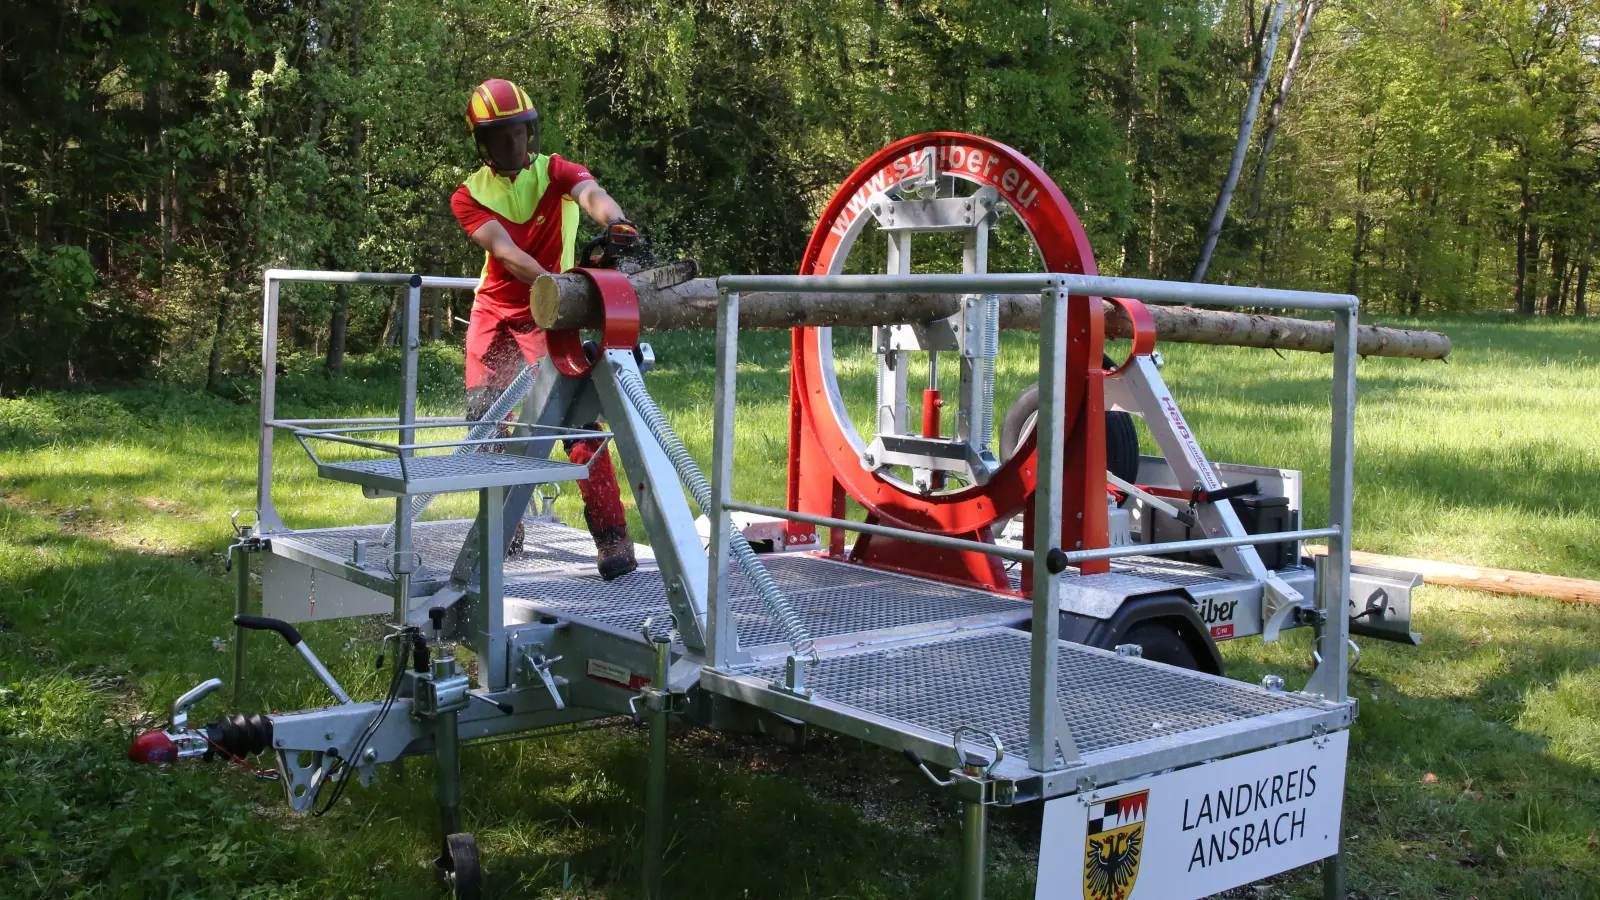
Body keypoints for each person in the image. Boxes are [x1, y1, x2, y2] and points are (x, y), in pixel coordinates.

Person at [450, 78, 637, 580]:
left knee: (574, 424)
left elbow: (590, 192)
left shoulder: (554, 171)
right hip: (497, 309)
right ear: (482, 143)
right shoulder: (468, 195)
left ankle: (612, 536)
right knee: (485, 422)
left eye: (519, 133)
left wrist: (616, 223)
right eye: (500, 136)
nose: (513, 144)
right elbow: (506, 255)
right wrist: (555, 283)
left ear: (530, 132)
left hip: (551, 313)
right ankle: (503, 525)